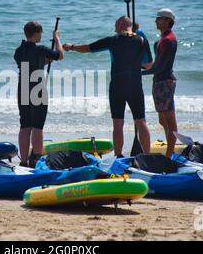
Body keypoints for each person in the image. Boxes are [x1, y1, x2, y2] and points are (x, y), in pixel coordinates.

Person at [63, 16, 152, 157]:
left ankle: (118, 156)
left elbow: (88, 48)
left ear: (122, 24)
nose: (114, 29)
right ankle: (148, 156)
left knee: (118, 123)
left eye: (116, 25)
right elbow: (148, 65)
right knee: (141, 121)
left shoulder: (112, 40)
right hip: (135, 85)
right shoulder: (142, 40)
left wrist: (71, 47)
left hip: (117, 86)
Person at [14, 21, 64, 167]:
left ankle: (23, 161)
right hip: (37, 88)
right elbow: (60, 55)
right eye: (40, 33)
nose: (41, 35)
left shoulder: (19, 51)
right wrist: (57, 39)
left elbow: (31, 64)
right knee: (37, 126)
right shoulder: (40, 49)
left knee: (25, 126)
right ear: (36, 33)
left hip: (22, 87)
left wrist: (43, 61)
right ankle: (36, 160)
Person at [142, 8, 178, 157]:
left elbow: (160, 67)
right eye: (156, 18)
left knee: (169, 121)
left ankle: (169, 155)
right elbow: (156, 64)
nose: (156, 21)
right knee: (163, 120)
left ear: (168, 21)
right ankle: (170, 150)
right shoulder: (163, 39)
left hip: (164, 82)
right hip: (160, 81)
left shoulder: (168, 40)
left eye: (159, 18)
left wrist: (138, 73)